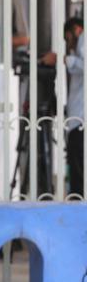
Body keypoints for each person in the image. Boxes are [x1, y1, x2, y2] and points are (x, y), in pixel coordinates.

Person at [64, 17, 84, 197]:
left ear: (76, 30)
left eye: (67, 37)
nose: (67, 42)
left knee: (78, 165)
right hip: (78, 116)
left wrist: (66, 59)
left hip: (81, 118)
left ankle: (78, 200)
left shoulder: (84, 38)